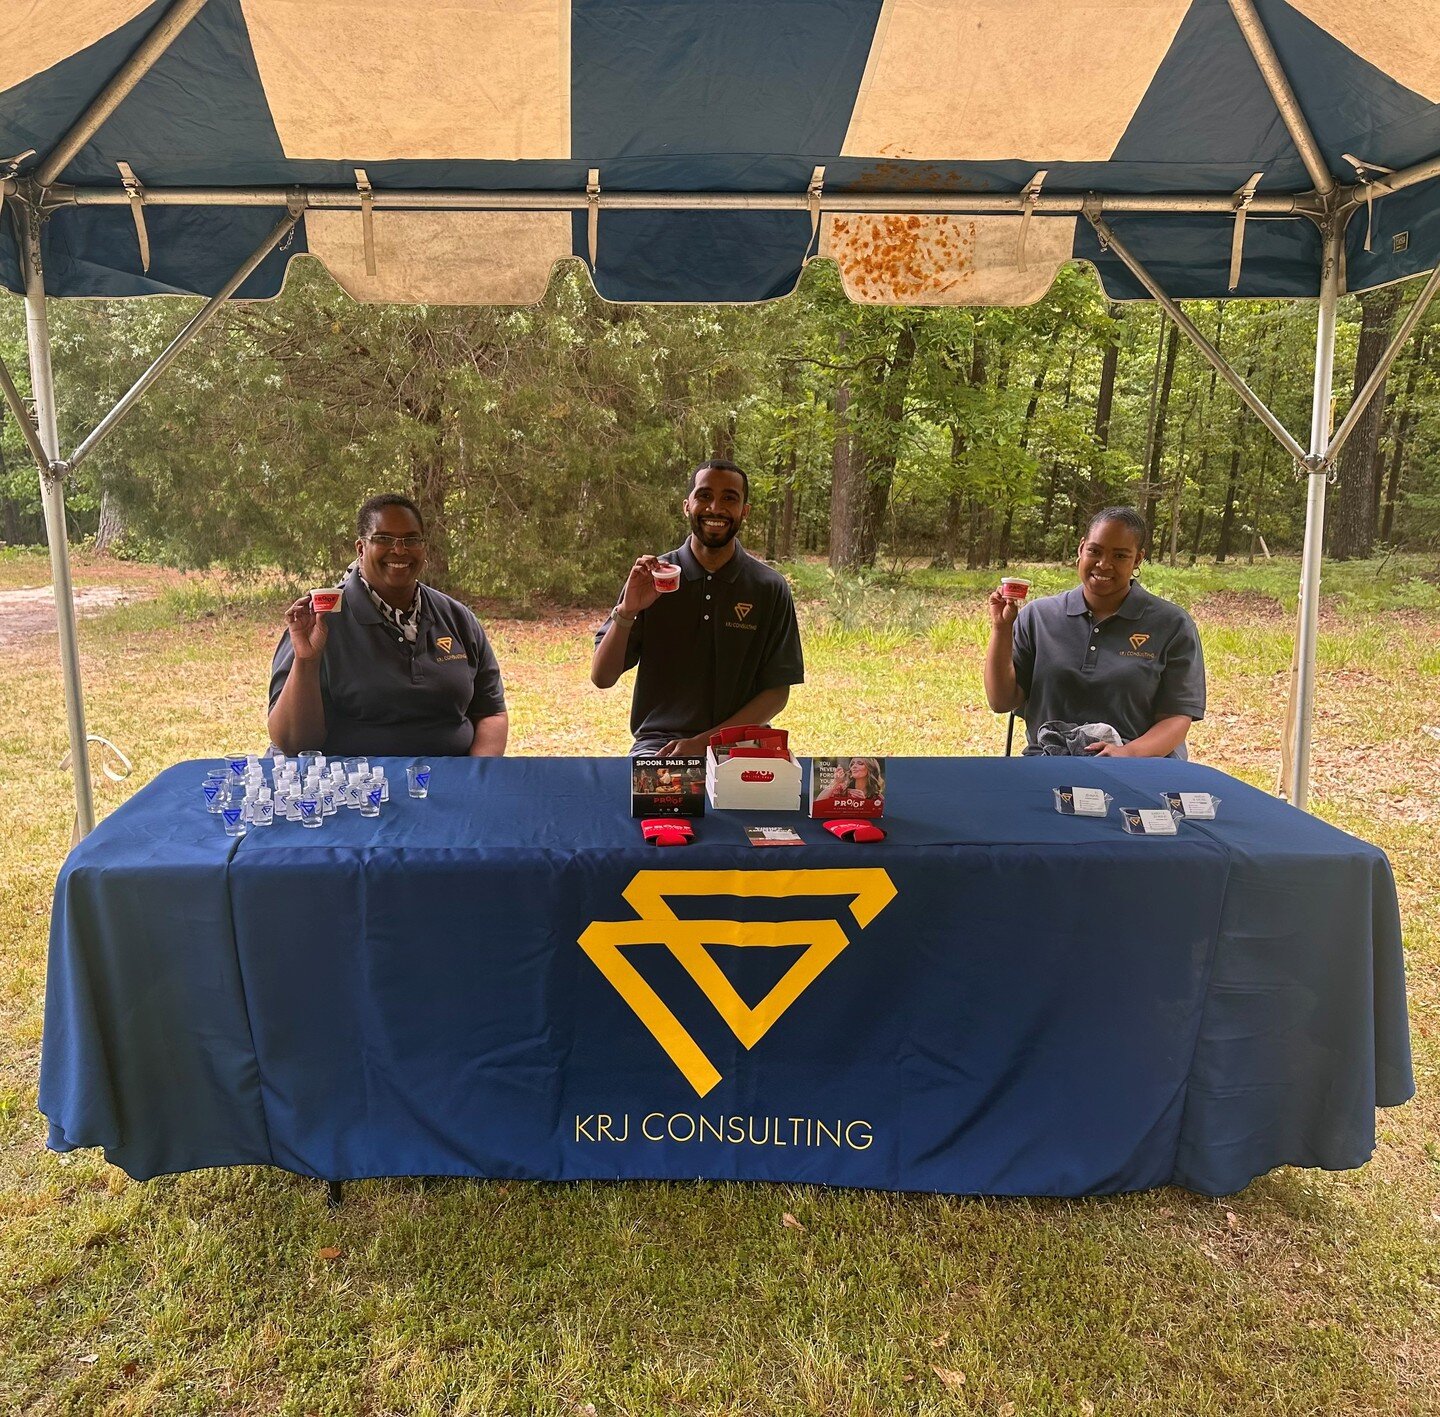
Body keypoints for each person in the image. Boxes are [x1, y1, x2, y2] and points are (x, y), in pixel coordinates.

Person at [268, 493, 509, 757]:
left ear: (423, 547)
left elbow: (491, 712)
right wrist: (307, 660)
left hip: (448, 783)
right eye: (383, 539)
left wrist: (477, 776)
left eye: (411, 539)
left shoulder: (457, 618)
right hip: (355, 787)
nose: (399, 549)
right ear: (361, 549)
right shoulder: (322, 620)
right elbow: (291, 742)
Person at [591, 458, 804, 756]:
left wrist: (703, 743)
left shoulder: (769, 588)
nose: (715, 508)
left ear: (745, 511)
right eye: (704, 496)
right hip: (659, 746)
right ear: (687, 506)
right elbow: (602, 678)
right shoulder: (652, 579)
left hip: (742, 744)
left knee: (767, 802)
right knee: (656, 801)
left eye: (729, 498)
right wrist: (628, 611)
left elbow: (777, 693)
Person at [983, 506, 1205, 758]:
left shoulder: (1172, 624)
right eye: (1095, 551)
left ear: (1138, 559)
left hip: (1138, 768)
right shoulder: (1038, 617)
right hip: (1048, 765)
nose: (1103, 564)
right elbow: (1001, 701)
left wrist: (1127, 753)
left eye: (1120, 556)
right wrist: (1001, 629)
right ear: (1081, 549)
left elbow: (1176, 717)